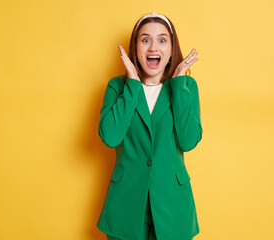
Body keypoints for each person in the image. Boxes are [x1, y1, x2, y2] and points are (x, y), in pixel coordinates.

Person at [96, 12, 203, 240]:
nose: (153, 47)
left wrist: (178, 83)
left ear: (172, 50)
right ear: (135, 48)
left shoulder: (186, 87)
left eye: (162, 40)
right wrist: (133, 84)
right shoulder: (117, 86)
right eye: (145, 40)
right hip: (126, 205)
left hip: (173, 208)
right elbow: (110, 137)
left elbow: (188, 140)